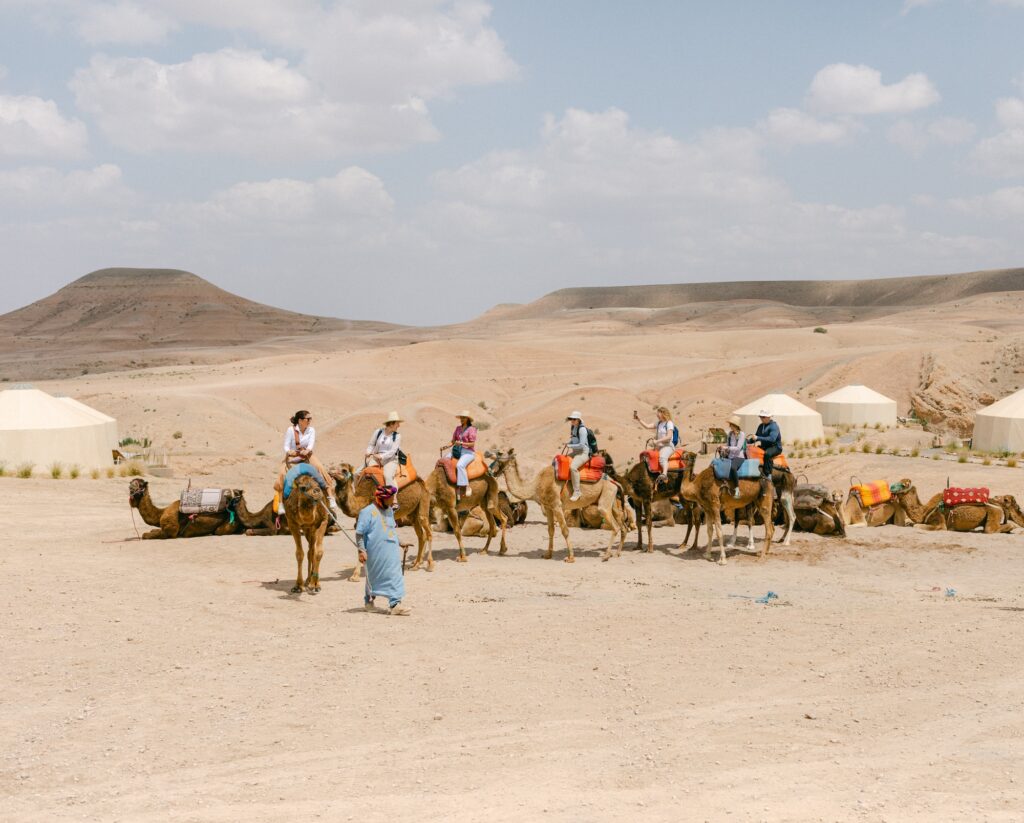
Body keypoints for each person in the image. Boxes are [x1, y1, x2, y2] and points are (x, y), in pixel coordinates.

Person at [356, 485, 411, 616]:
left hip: (391, 551)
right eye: (391, 498)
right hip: (375, 552)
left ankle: (395, 604)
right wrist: (361, 550)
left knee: (395, 575)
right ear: (382, 498)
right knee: (372, 577)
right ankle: (369, 602)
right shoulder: (367, 512)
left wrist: (401, 542)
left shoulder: (389, 511)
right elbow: (359, 533)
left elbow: (390, 529)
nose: (393, 501)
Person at [275, 410, 336, 513]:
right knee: (282, 474)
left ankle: (330, 497)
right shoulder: (291, 430)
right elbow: (286, 445)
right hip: (293, 456)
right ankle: (281, 503)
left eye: (310, 419)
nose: (309, 421)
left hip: (307, 455)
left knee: (320, 468)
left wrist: (307, 450)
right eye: (307, 419)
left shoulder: (311, 430)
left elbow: (311, 444)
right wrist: (289, 451)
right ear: (300, 420)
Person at [633, 406, 676, 486]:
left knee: (662, 458)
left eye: (658, 413)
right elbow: (648, 426)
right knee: (648, 457)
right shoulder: (659, 423)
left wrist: (657, 441)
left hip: (667, 446)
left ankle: (664, 475)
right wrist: (638, 419)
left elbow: (669, 436)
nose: (657, 415)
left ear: (663, 413)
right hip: (659, 446)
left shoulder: (669, 423)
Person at [364, 411, 403, 488]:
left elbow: (392, 452)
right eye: (397, 423)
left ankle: (393, 497)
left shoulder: (398, 436)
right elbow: (371, 444)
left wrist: (381, 456)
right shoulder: (378, 432)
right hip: (375, 459)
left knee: (387, 476)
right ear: (391, 424)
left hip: (391, 460)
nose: (399, 425)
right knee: (361, 473)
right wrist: (368, 452)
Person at [445, 411, 478, 499]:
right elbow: (453, 441)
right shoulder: (458, 428)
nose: (461, 419)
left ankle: (465, 486)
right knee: (444, 460)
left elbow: (472, 444)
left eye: (463, 418)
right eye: (461, 418)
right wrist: (445, 446)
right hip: (457, 451)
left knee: (460, 465)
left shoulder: (472, 429)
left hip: (468, 452)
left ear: (467, 419)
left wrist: (462, 443)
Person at [717, 414, 746, 499]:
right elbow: (727, 444)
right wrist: (722, 447)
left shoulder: (742, 434)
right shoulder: (730, 434)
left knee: (733, 467)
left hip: (739, 457)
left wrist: (727, 448)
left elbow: (738, 448)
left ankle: (737, 489)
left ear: (735, 425)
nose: (730, 426)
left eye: (731, 424)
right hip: (730, 456)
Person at [748, 409, 782, 479]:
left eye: (763, 417)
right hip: (765, 446)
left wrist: (758, 437)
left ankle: (768, 475)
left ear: (768, 417)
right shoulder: (761, 426)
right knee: (751, 451)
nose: (761, 418)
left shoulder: (774, 426)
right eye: (761, 417)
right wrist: (747, 441)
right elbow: (756, 437)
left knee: (767, 454)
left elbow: (772, 439)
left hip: (775, 447)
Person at [565, 410, 591, 502]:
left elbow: (582, 445)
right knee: (560, 461)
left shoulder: (582, 430)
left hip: (583, 453)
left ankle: (577, 492)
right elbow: (574, 441)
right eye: (571, 419)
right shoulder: (573, 427)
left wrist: (570, 446)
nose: (572, 420)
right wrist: (568, 443)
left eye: (574, 419)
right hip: (575, 452)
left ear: (579, 420)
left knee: (573, 467)